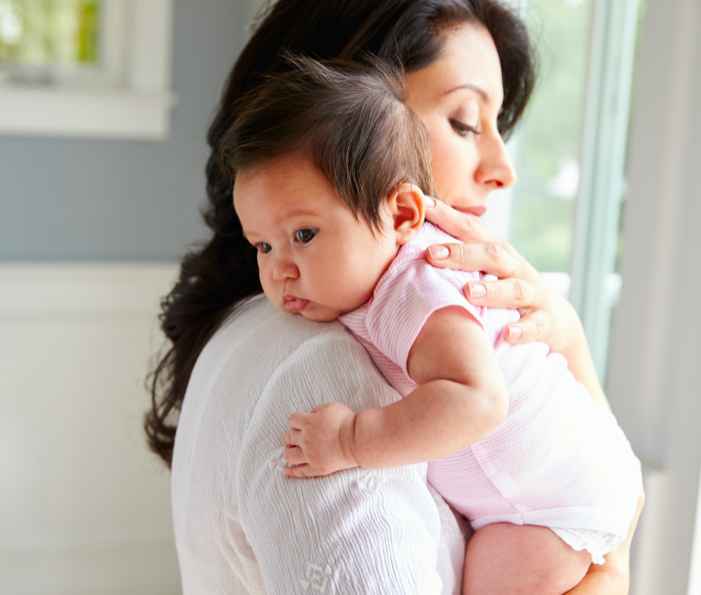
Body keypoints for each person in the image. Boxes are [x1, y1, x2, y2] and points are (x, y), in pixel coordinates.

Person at [146, 1, 644, 593]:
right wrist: (610, 570)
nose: (503, 168)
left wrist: (564, 334)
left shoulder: (364, 308)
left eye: (497, 126)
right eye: (464, 121)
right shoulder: (319, 359)